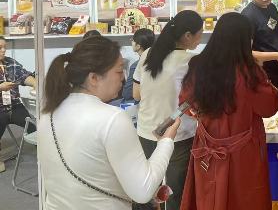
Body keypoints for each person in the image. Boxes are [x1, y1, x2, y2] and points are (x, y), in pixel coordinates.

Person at [38, 36, 181, 209]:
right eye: (119, 71)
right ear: (93, 78)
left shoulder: (48, 114)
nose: (123, 78)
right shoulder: (112, 118)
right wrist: (166, 142)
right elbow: (143, 190)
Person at [179, 12, 278, 210]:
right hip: (243, 152)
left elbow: (186, 104)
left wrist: (200, 114)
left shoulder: (198, 65)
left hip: (207, 147)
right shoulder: (250, 73)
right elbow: (269, 108)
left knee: (207, 197)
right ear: (245, 40)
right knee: (244, 199)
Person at [133, 10, 203, 210]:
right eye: (199, 34)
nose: (200, 39)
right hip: (178, 135)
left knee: (148, 191)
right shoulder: (192, 60)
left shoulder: (148, 54)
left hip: (146, 131)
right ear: (187, 35)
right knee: (175, 193)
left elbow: (136, 94)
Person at [0, 36, 36, 173]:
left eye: (5, 47)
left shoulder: (11, 63)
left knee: (34, 127)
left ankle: (44, 153)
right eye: (0, 48)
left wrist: (35, 83)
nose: (3, 50)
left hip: (15, 106)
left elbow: (24, 76)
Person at [122, 28, 155, 102]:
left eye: (133, 40)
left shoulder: (136, 66)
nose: (131, 41)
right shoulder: (157, 60)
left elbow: (127, 94)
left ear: (138, 46)